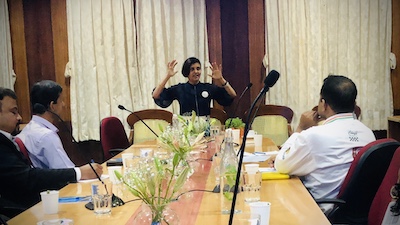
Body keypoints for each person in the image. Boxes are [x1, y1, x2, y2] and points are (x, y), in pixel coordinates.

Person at [274, 75, 376, 212]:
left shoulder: (314, 135)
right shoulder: (368, 134)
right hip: (358, 212)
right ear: (354, 103)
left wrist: (300, 129)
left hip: (320, 212)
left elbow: (282, 165)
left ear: (324, 103)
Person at [0, 87, 102, 213]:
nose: (20, 117)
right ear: (52, 106)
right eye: (13, 112)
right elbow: (27, 177)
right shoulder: (44, 135)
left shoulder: (21, 133)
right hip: (24, 209)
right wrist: (79, 172)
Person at [17, 80, 75, 169]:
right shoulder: (46, 136)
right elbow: (67, 172)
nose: (63, 105)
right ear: (52, 106)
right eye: (61, 100)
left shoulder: (28, 129)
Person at [152, 57, 237, 116]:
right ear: (186, 72)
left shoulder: (208, 88)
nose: (196, 71)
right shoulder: (180, 89)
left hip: (204, 129)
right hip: (186, 129)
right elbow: (155, 95)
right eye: (192, 69)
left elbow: (232, 95)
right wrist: (167, 76)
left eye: (198, 68)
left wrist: (221, 79)